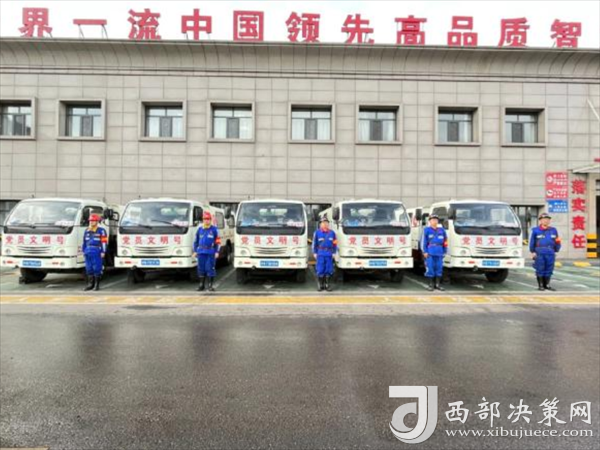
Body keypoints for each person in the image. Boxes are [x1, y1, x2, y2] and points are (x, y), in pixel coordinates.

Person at [529, 212, 561, 291]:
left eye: (547, 219)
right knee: (540, 268)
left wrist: (556, 250)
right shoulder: (536, 230)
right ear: (540, 220)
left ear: (549, 220)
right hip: (539, 252)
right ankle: (541, 285)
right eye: (544, 219)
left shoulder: (553, 230)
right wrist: (532, 251)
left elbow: (557, 240)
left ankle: (547, 285)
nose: (546, 221)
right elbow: (532, 242)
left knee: (549, 268)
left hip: (550, 252)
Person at [193, 211, 221, 292]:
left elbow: (218, 242)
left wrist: (217, 251)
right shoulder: (200, 229)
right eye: (205, 219)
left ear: (210, 220)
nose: (206, 220)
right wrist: (195, 251)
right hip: (201, 252)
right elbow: (195, 241)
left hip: (210, 252)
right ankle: (201, 285)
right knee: (201, 269)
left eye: (208, 219)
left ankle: (210, 286)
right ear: (203, 220)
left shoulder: (214, 229)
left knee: (210, 268)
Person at [421, 214, 448, 291]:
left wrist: (445, 251)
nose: (434, 221)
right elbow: (423, 242)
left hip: (439, 252)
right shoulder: (426, 230)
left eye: (436, 220)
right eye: (433, 220)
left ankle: (437, 284)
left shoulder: (442, 230)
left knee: (439, 268)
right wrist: (425, 252)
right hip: (430, 253)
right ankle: (430, 285)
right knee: (430, 268)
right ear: (429, 221)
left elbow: (445, 241)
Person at [82, 213, 108, 291]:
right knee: (88, 268)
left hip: (96, 251)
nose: (91, 222)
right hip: (88, 251)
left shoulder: (101, 231)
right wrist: (84, 250)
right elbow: (84, 242)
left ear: (97, 221)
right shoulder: (87, 230)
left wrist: (103, 251)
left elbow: (104, 242)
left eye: (93, 221)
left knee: (97, 268)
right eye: (90, 221)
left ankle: (96, 285)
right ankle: (90, 284)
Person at [313, 216, 337, 292]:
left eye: (326, 223)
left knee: (329, 269)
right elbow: (314, 243)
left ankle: (327, 285)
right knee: (320, 269)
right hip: (320, 254)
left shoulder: (332, 233)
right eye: (323, 223)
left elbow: (335, 243)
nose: (325, 224)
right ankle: (320, 285)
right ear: (320, 224)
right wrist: (314, 252)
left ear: (328, 224)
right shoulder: (317, 233)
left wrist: (334, 252)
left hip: (329, 254)